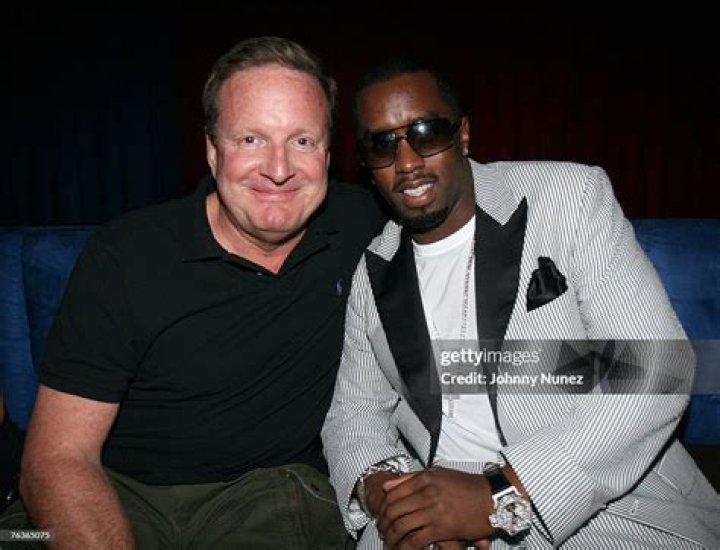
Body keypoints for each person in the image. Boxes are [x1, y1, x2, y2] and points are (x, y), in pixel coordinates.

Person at [1, 36, 386, 549]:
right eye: (250, 139)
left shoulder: (362, 224)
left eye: (302, 141)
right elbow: (57, 456)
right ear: (211, 150)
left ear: (329, 153)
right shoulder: (126, 255)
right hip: (113, 490)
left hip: (270, 496)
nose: (278, 169)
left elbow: (458, 199)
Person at [321, 56, 720, 549]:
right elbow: (353, 414)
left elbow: (656, 368)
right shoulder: (373, 270)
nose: (406, 163)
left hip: (600, 505)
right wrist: (389, 495)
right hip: (437, 508)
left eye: (426, 133)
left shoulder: (568, 198)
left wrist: (503, 492)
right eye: (382, 144)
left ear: (463, 135)